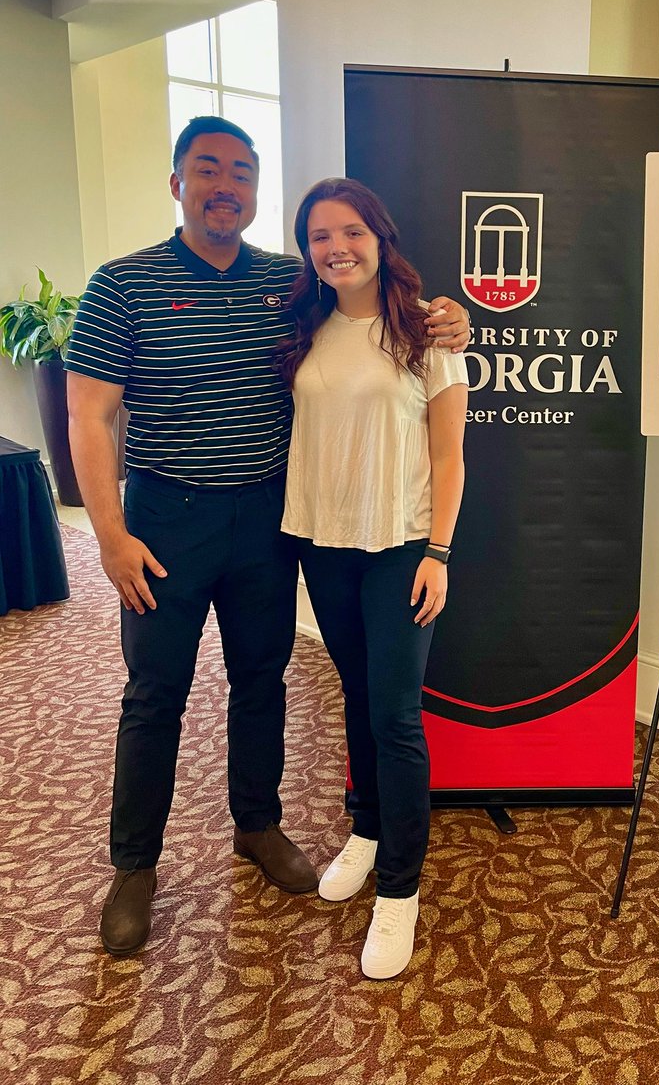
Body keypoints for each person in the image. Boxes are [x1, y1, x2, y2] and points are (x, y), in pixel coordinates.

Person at [65, 117, 470, 959]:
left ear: (256, 191)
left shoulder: (290, 284)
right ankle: (134, 867)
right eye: (207, 169)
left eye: (242, 173)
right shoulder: (122, 284)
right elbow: (90, 415)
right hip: (165, 520)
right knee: (154, 695)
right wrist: (108, 534)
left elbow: (385, 317)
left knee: (262, 678)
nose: (225, 185)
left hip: (269, 520)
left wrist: (449, 318)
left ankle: (257, 824)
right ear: (176, 181)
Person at [275, 178, 468, 979]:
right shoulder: (304, 322)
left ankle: (400, 892)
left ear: (381, 238)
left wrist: (439, 553)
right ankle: (366, 827)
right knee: (355, 695)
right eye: (319, 236)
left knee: (394, 716)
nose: (336, 248)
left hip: (400, 545)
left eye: (350, 231)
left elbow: (450, 455)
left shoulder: (429, 332)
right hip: (325, 542)